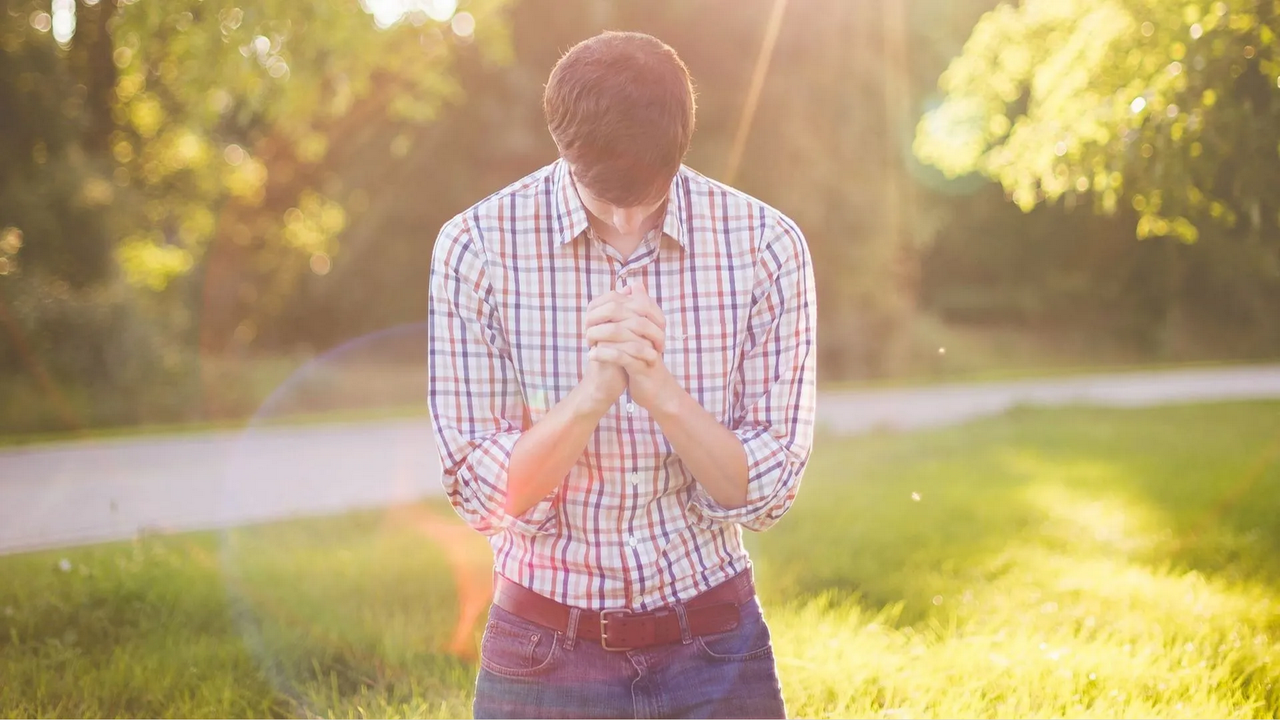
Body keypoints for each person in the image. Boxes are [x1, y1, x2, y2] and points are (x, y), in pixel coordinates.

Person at [427, 29, 817, 720]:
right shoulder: (476, 247)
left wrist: (662, 395)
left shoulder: (767, 247)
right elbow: (483, 493)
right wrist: (590, 398)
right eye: (603, 192)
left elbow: (766, 494)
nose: (626, 217)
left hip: (716, 644)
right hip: (543, 647)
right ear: (562, 143)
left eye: (648, 191)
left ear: (683, 143)